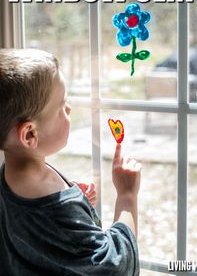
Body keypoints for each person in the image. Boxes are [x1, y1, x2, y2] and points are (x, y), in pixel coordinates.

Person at [0, 48, 141, 276]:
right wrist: (126, 196)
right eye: (62, 106)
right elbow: (116, 267)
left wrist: (75, 200)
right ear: (29, 135)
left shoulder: (9, 176)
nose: (70, 108)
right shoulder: (56, 209)